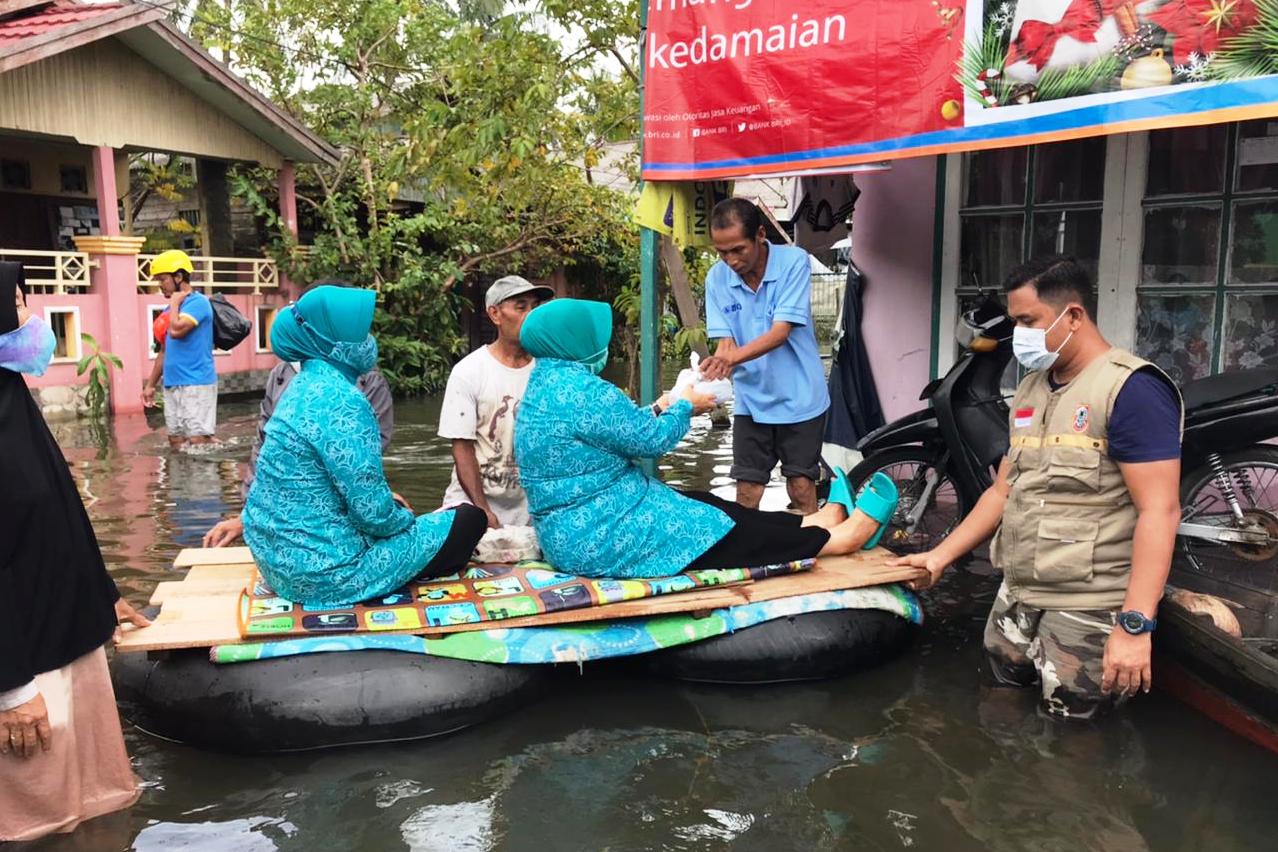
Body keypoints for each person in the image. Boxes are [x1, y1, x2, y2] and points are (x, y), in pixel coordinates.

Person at [893, 257, 1182, 721]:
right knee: (1000, 701)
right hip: (1021, 591)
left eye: (1029, 321)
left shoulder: (1130, 391)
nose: (1020, 336)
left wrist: (1134, 625)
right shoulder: (1031, 390)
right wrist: (938, 557)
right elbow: (1004, 492)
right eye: (1016, 323)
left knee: (1073, 735)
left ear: (1072, 316)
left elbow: (1161, 511)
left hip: (1089, 604)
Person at [514, 299, 898, 580]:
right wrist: (687, 407)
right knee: (709, 532)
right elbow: (648, 441)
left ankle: (813, 522)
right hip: (602, 536)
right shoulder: (583, 392)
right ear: (572, 340)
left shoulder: (547, 385)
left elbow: (615, 430)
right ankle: (835, 541)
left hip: (581, 528)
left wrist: (665, 403)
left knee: (704, 501)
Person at [0, 262, 151, 841]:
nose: (29, 320)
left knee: (93, 819)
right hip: (24, 669)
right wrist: (11, 689)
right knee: (39, 827)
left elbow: (58, 512)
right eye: (14, 304)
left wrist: (102, 596)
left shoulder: (9, 394)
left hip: (64, 635)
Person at [242, 285, 486, 606]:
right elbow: (373, 513)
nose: (369, 341)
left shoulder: (301, 387)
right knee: (469, 520)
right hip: (327, 575)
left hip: (277, 565)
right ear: (333, 342)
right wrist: (405, 520)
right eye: (361, 334)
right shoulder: (342, 400)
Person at [203, 282, 396, 548]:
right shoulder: (282, 376)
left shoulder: (368, 381)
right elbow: (264, 445)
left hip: (337, 504)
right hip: (296, 514)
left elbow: (365, 458)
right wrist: (249, 515)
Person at [699, 197, 831, 514]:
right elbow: (725, 344)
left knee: (801, 487)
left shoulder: (794, 262)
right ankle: (749, 558)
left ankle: (810, 555)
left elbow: (780, 332)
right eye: (722, 252)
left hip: (801, 398)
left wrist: (730, 359)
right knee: (747, 491)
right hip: (751, 401)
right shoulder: (716, 279)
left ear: (760, 234)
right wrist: (717, 366)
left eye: (738, 249)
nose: (730, 260)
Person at [438, 275, 554, 528]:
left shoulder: (547, 372)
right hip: (472, 506)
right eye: (521, 306)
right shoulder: (468, 371)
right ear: (495, 314)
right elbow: (462, 448)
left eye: (535, 307)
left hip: (531, 513)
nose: (531, 314)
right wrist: (483, 512)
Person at [141, 249, 218, 449]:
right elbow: (164, 350)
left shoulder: (198, 303)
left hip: (196, 382)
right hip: (172, 383)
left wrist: (175, 302)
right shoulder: (170, 310)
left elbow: (176, 331)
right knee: (175, 440)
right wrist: (150, 385)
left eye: (163, 279)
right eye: (157, 280)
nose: (159, 285)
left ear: (179, 276)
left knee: (197, 440)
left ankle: (211, 474)